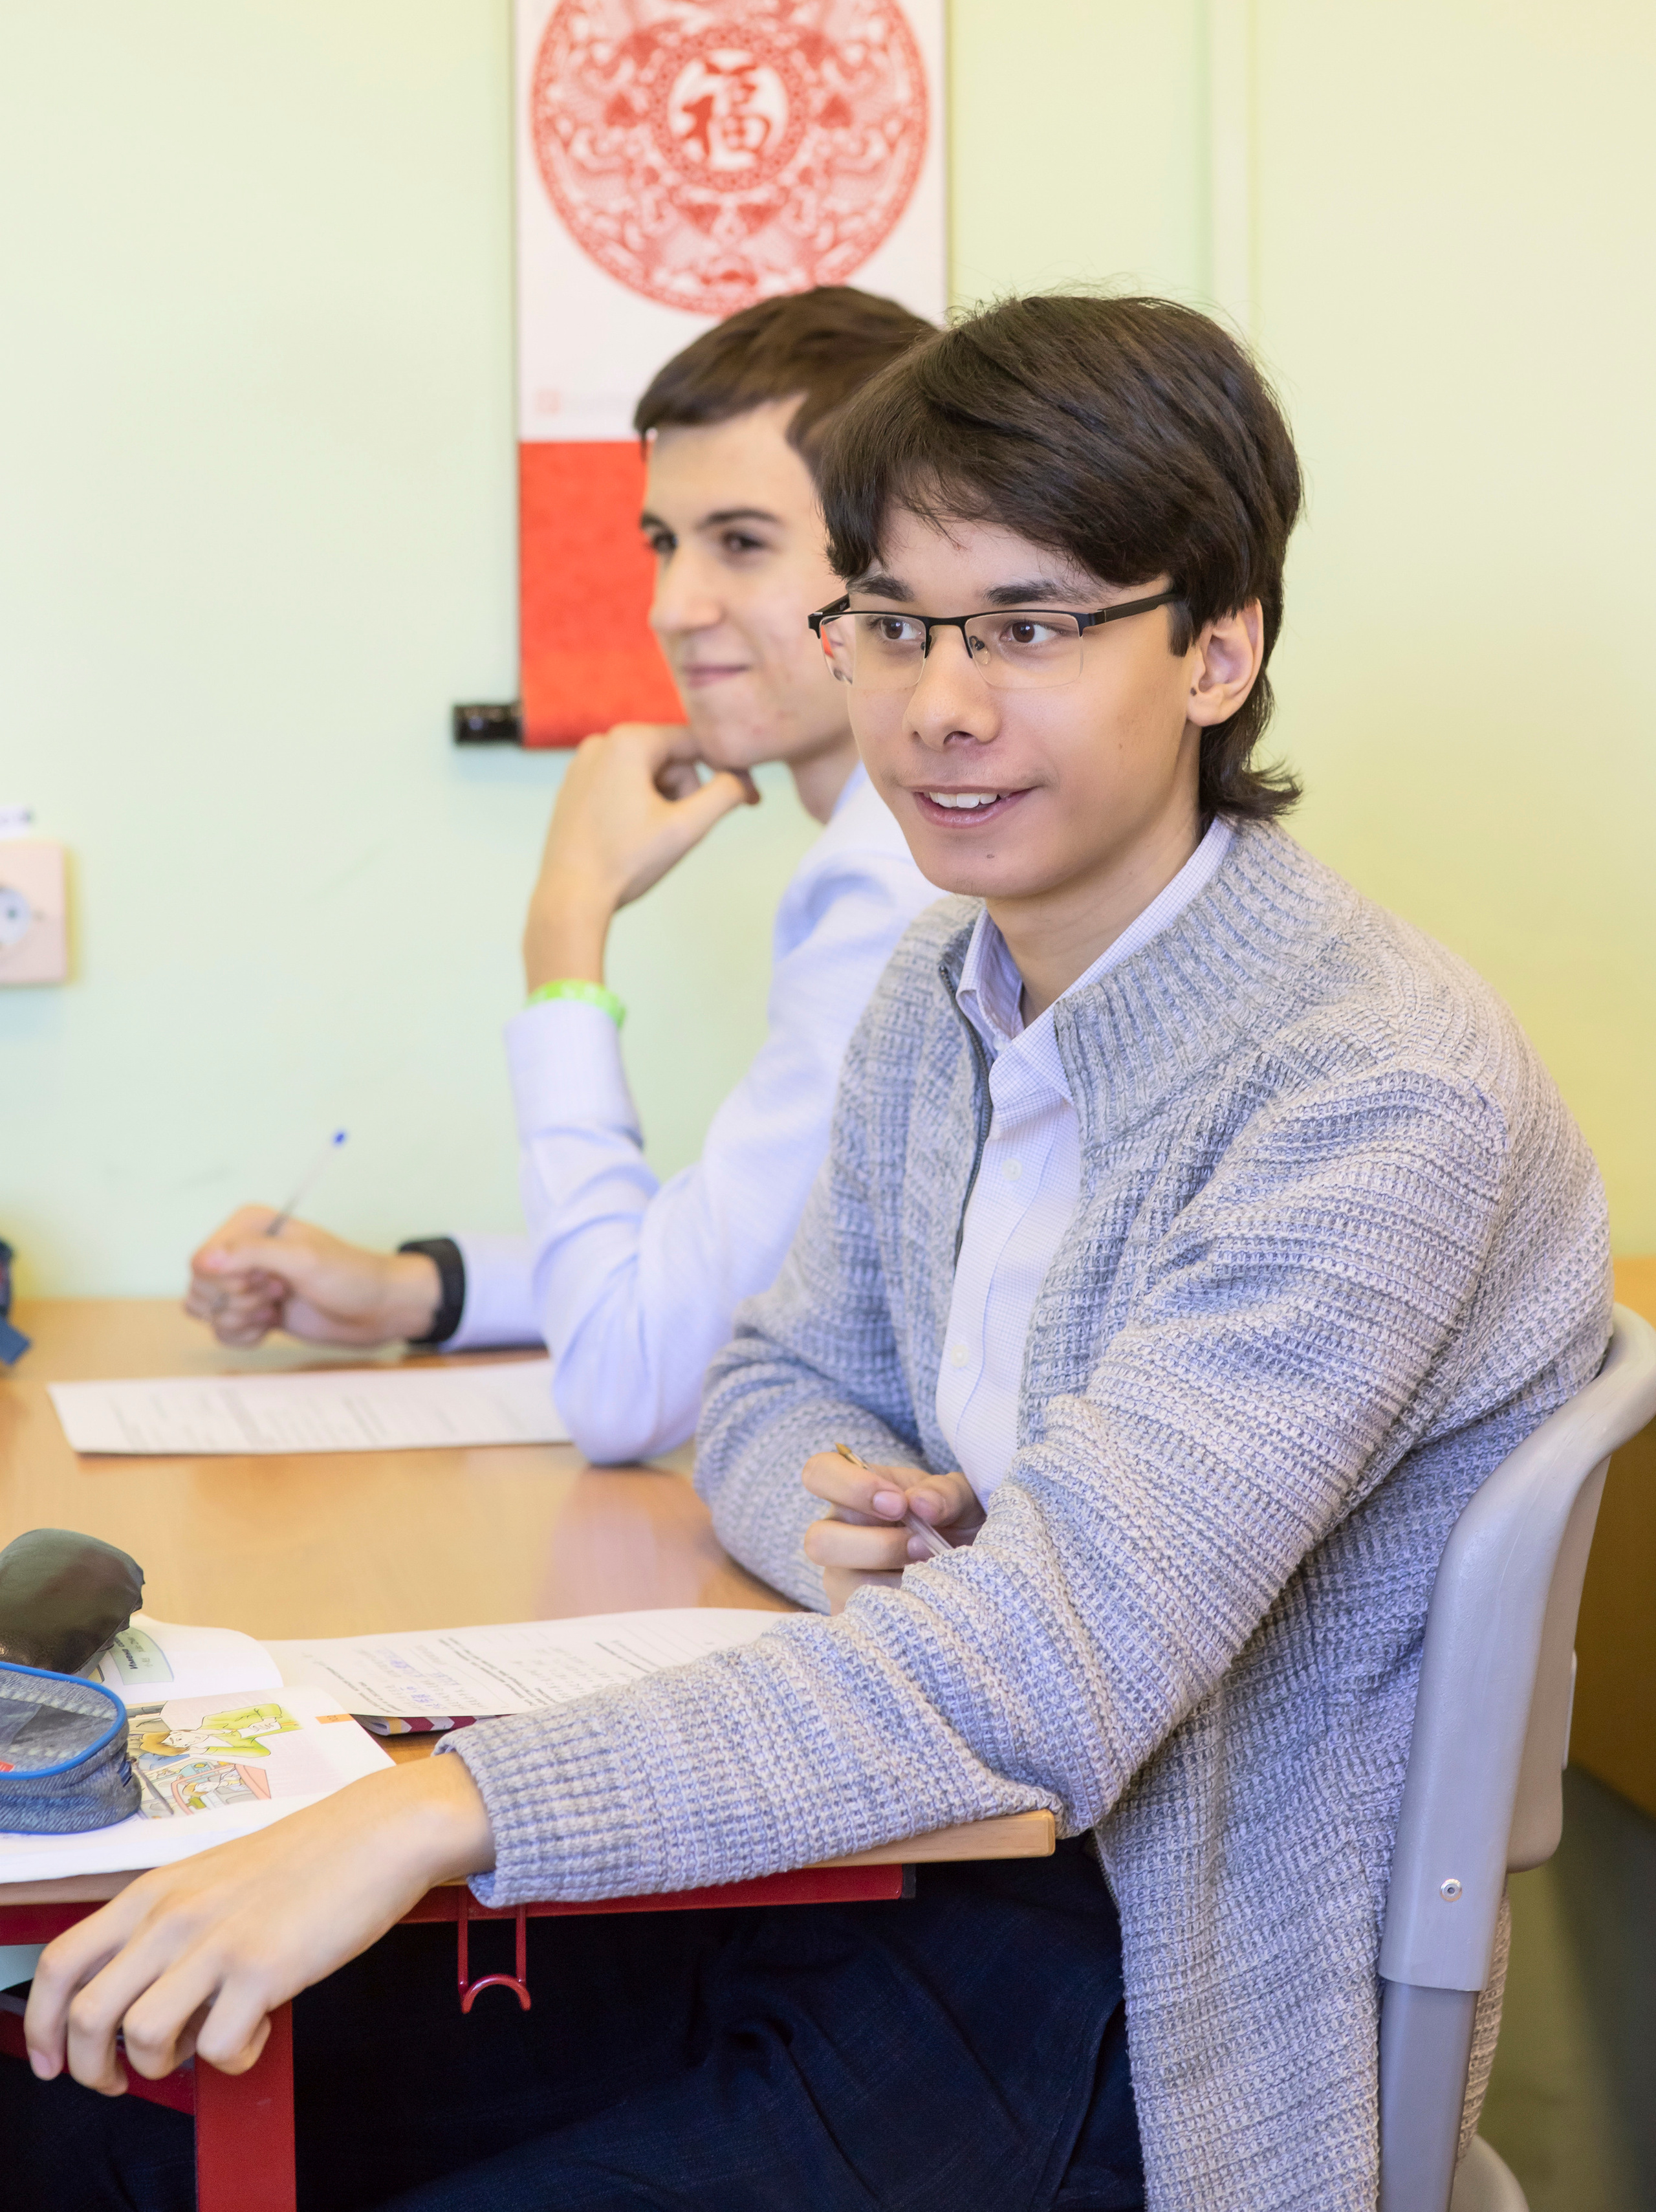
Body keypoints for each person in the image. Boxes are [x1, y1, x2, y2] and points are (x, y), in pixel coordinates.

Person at [19, 295, 1610, 2212]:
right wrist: (826, 1505)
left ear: (1217, 647)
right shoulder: (951, 980)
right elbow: (776, 1373)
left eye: (1030, 627)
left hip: (1135, 2001)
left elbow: (1041, 1669)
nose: (936, 702)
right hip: (874, 1863)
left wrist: (435, 1813)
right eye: (897, 619)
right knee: (87, 2105)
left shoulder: (1370, 1089)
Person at [183, 287, 942, 1461]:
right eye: (663, 544)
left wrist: (566, 928)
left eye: (740, 542)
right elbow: (736, 1272)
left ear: (898, 565)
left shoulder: (891, 888)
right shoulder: (881, 854)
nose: (671, 607)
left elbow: (630, 1385)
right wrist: (415, 1292)